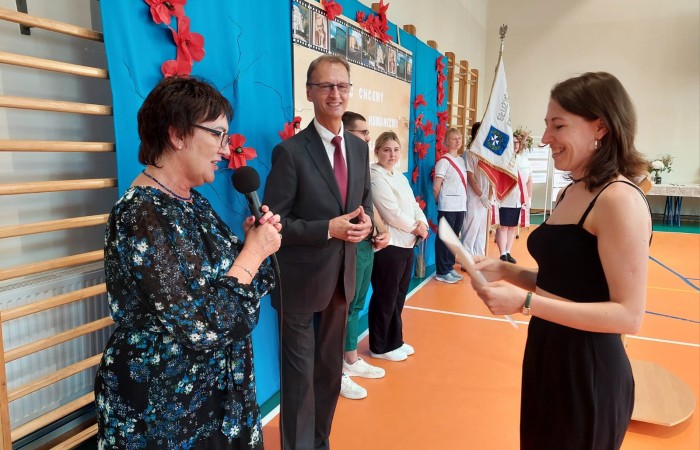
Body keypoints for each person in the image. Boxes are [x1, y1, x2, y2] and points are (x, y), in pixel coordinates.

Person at [94, 76, 282, 449]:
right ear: (178, 135)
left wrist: (252, 246)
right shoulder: (140, 214)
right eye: (218, 135)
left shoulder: (192, 202)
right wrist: (251, 254)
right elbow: (201, 325)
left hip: (216, 396)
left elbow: (240, 288)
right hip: (164, 407)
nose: (225, 149)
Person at [471, 72, 651, 450]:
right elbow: (567, 281)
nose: (545, 138)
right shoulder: (573, 191)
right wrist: (506, 270)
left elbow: (628, 315)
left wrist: (525, 303)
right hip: (548, 354)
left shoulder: (619, 200)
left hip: (587, 369)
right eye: (547, 125)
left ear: (600, 127)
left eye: (558, 125)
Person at [263, 55, 374, 450]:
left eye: (342, 86)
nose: (335, 93)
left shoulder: (359, 149)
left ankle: (319, 441)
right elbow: (274, 223)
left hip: (341, 279)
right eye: (326, 86)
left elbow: (363, 202)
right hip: (298, 283)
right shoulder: (290, 152)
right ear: (310, 92)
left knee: (328, 374)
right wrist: (327, 228)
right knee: (299, 379)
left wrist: (367, 225)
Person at [339, 111, 390, 400]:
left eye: (368, 132)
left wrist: (381, 231)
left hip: (365, 245)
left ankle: (351, 358)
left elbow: (369, 205)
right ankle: (336, 369)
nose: (368, 137)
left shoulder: (361, 164)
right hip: (346, 245)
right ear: (346, 134)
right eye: (363, 132)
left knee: (358, 303)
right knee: (342, 307)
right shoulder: (336, 166)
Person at [369, 132, 428, 361]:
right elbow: (390, 213)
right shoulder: (375, 175)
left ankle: (395, 340)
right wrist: (416, 228)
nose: (391, 154)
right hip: (389, 247)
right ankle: (379, 346)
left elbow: (413, 205)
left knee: (398, 296)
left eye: (395, 149)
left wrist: (422, 223)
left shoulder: (400, 177)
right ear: (377, 151)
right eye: (386, 150)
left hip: (407, 245)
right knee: (385, 297)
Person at [432, 127, 467, 284]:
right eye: (453, 138)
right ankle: (441, 271)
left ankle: (449, 267)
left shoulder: (461, 160)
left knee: (454, 238)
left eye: (459, 138)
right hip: (447, 206)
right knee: (444, 239)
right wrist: (440, 202)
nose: (457, 141)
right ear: (446, 142)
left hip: (460, 206)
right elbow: (436, 186)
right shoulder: (444, 161)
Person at [494, 129, 532, 263]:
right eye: (513, 142)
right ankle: (502, 253)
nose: (515, 145)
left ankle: (508, 252)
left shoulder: (524, 160)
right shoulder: (502, 160)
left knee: (512, 227)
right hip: (505, 199)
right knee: (503, 226)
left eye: (517, 142)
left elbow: (529, 180)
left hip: (519, 199)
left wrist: (529, 198)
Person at [461, 121, 492, 257]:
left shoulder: (489, 154)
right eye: (479, 132)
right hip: (474, 198)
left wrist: (489, 196)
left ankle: (480, 257)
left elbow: (492, 179)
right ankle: (467, 259)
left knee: (481, 231)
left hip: (486, 200)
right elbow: (470, 177)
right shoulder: (469, 153)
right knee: (470, 230)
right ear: (474, 134)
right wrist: (481, 196)